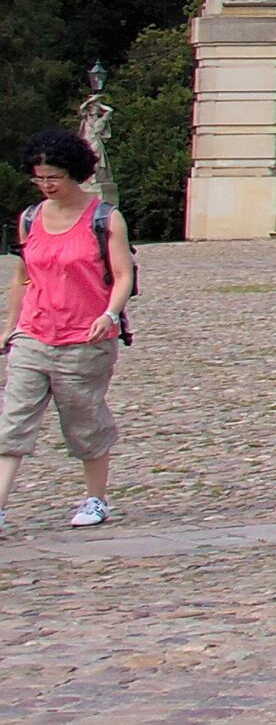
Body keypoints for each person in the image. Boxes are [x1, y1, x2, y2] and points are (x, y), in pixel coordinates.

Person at [2, 132, 132, 531]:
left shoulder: (104, 218)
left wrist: (109, 314)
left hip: (85, 339)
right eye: (38, 179)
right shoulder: (29, 218)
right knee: (12, 422)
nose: (45, 186)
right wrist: (9, 330)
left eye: (53, 178)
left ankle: (96, 498)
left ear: (74, 173)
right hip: (34, 334)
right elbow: (23, 277)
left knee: (84, 421)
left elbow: (124, 274)